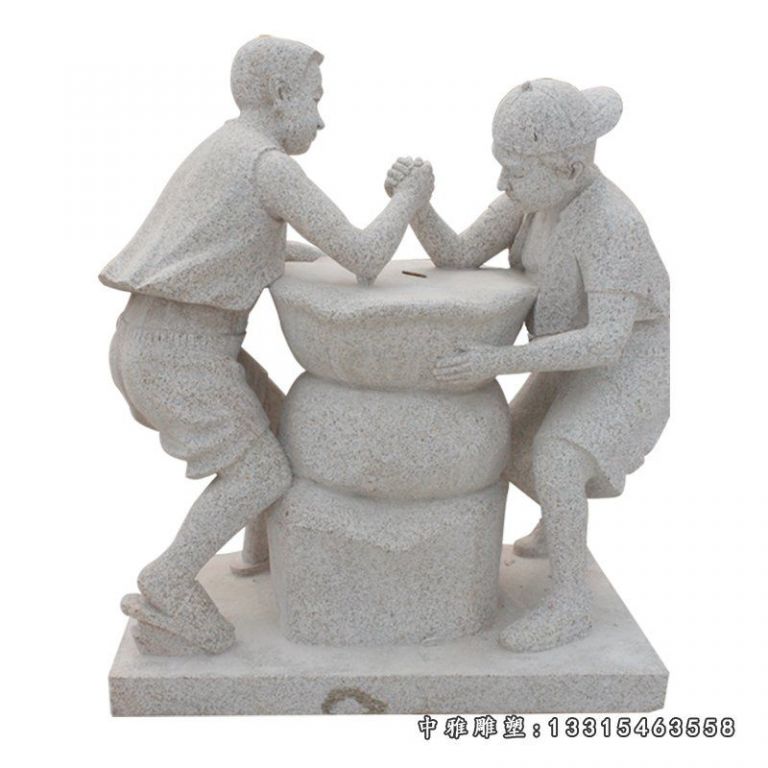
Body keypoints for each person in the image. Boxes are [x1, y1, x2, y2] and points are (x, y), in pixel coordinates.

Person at [101, 36, 433, 654]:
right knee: (259, 471)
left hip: (156, 339)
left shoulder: (223, 147)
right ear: (281, 94)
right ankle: (169, 580)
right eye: (315, 99)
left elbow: (222, 235)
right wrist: (410, 199)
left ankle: (261, 552)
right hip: (181, 354)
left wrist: (294, 250)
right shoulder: (268, 166)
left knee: (283, 425)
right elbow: (365, 256)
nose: (321, 118)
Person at [386, 79, 669, 652]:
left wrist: (498, 361)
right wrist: (416, 206)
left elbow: (607, 342)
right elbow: (459, 255)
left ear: (570, 168)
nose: (501, 182)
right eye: (502, 165)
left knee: (557, 456)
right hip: (565, 359)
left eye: (513, 170)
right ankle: (561, 524)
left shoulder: (612, 224)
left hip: (625, 367)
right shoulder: (529, 199)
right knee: (507, 447)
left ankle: (570, 604)